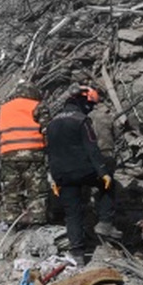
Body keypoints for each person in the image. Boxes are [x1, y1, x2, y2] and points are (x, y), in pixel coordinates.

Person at [43, 86, 116, 258]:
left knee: (72, 213)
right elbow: (91, 148)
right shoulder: (81, 119)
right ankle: (105, 222)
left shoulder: (51, 124)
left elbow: (50, 152)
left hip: (62, 175)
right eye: (89, 105)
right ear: (81, 103)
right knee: (108, 185)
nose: (90, 109)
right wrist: (103, 171)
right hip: (83, 170)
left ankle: (77, 253)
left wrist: (54, 178)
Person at [0, 87, 48, 228]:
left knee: (11, 190)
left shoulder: (3, 108)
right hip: (33, 153)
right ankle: (37, 220)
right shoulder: (37, 105)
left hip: (8, 154)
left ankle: (13, 222)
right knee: (36, 188)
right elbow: (47, 129)